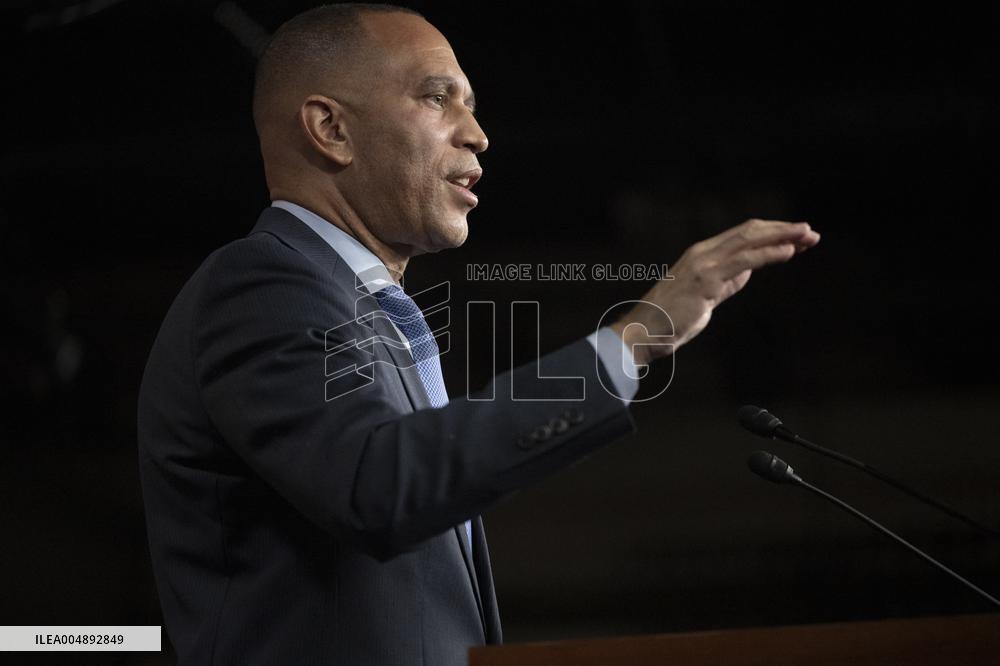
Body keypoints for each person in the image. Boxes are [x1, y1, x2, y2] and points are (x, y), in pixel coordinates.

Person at [137, 4, 820, 665]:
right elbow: (378, 484)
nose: (477, 133)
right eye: (439, 99)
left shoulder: (370, 313)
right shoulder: (259, 285)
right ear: (330, 128)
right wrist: (632, 342)